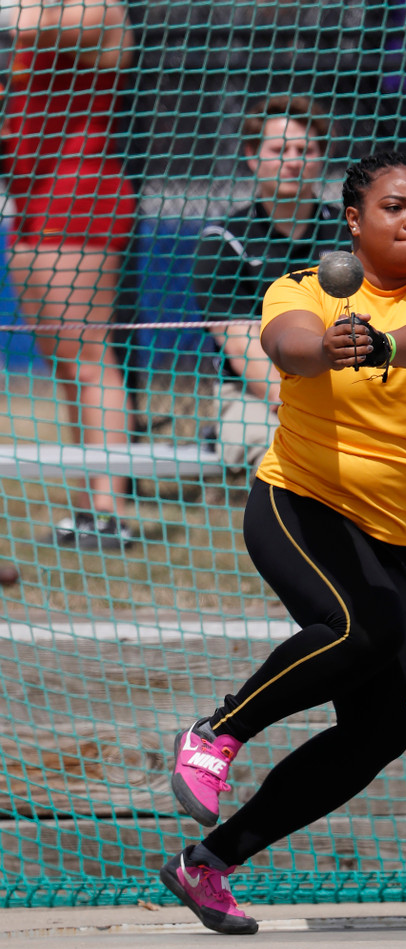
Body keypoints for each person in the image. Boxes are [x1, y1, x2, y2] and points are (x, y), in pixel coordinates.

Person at [158, 145, 406, 934]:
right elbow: (285, 347)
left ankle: (207, 865)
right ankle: (214, 735)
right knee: (354, 628)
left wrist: (381, 344)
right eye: (393, 207)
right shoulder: (299, 289)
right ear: (352, 221)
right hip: (299, 506)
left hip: (395, 539)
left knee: (380, 732)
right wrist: (328, 348)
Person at [2, 0, 137, 550]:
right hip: (30, 200)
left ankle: (111, 509)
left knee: (88, 356)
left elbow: (79, 25)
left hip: (80, 193)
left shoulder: (96, 10)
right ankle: (86, 505)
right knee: (64, 363)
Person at [192, 96, 344, 474]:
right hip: (254, 397)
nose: (292, 160)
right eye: (279, 149)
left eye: (304, 149)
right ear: (251, 154)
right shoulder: (224, 241)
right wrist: (311, 411)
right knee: (291, 459)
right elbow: (244, 350)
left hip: (347, 387)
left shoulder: (354, 234)